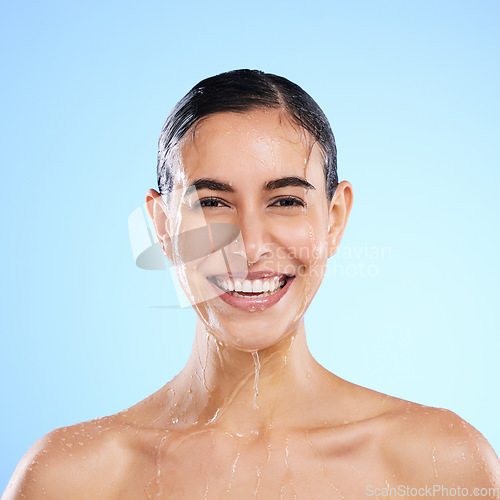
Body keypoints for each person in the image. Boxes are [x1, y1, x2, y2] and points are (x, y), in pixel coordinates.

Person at [3, 69, 499, 499]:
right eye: (212, 203)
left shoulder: (440, 464)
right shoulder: (70, 480)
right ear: (161, 225)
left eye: (285, 201)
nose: (249, 244)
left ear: (335, 219)